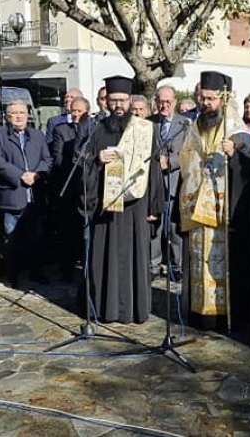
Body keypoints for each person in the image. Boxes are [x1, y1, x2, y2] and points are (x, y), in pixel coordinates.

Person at [177, 71, 250, 332]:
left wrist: (234, 153)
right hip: (197, 206)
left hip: (222, 213)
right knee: (197, 263)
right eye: (202, 98)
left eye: (211, 98)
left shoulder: (236, 129)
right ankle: (199, 314)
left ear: (223, 99)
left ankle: (222, 317)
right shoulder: (195, 125)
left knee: (221, 265)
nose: (205, 103)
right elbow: (186, 158)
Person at [81, 76, 164, 323]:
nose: (118, 105)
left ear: (130, 101)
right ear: (107, 101)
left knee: (135, 256)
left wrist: (154, 206)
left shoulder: (145, 129)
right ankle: (107, 309)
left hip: (136, 206)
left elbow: (154, 170)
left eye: (122, 101)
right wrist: (96, 160)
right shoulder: (97, 129)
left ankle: (134, 309)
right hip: (106, 208)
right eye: (113, 100)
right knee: (105, 256)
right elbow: (82, 163)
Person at [0, 99, 52, 285]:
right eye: (14, 113)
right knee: (12, 238)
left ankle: (35, 272)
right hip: (12, 194)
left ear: (27, 115)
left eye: (21, 113)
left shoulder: (38, 136)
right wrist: (20, 175)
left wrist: (37, 175)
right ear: (7, 117)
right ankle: (12, 274)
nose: (18, 116)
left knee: (36, 237)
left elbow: (47, 159)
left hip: (35, 195)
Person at [148, 85, 191, 277]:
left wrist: (171, 162)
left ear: (174, 102)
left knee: (174, 230)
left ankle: (177, 268)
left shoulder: (186, 124)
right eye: (160, 101)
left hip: (175, 183)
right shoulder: (149, 123)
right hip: (154, 184)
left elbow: (189, 153)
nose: (164, 105)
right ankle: (153, 267)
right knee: (154, 230)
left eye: (168, 102)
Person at [50, 97, 91, 280]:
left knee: (84, 230)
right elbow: (58, 158)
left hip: (86, 186)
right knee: (67, 230)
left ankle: (85, 265)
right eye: (73, 110)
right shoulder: (61, 130)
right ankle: (67, 268)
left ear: (87, 112)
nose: (75, 114)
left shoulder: (93, 130)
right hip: (68, 185)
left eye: (79, 111)